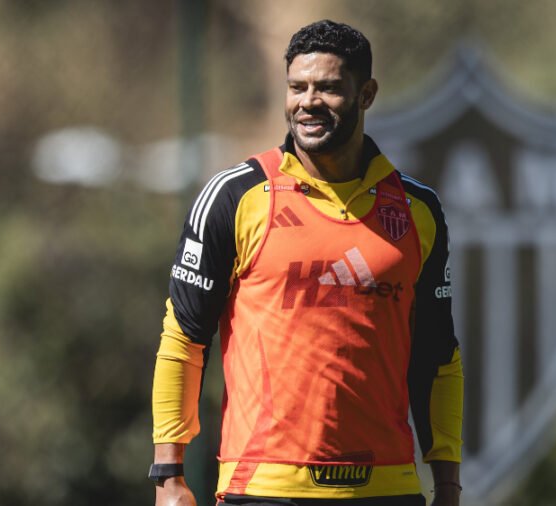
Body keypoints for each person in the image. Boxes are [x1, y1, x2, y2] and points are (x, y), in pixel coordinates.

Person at [150, 20, 463, 506]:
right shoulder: (235, 196)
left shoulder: (417, 209)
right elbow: (183, 340)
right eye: (297, 87)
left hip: (390, 488)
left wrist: (447, 482)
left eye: (328, 88)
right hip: (263, 487)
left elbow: (439, 356)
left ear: (366, 94)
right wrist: (169, 476)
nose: (308, 102)